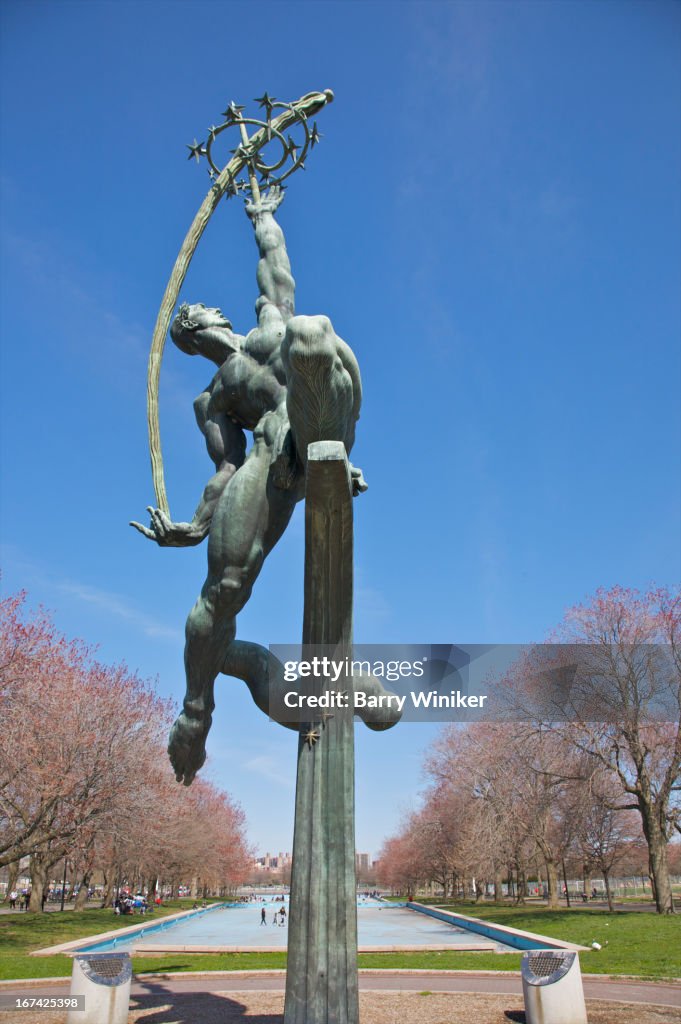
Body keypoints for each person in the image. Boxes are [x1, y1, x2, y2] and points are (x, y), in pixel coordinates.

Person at [132, 186, 367, 786]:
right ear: (188, 341)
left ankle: (331, 453)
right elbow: (226, 472)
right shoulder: (210, 400)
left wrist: (264, 218)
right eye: (187, 325)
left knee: (309, 332)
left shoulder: (268, 326)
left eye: (198, 314)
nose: (196, 320)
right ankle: (198, 705)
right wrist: (193, 527)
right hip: (271, 459)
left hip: (318, 408)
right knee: (222, 588)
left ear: (217, 317)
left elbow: (275, 271)